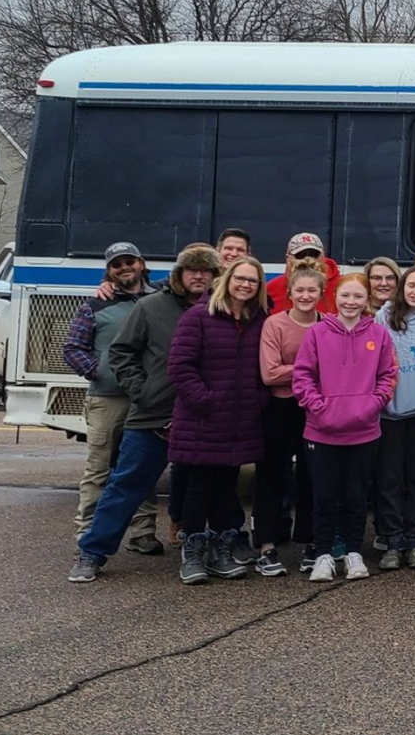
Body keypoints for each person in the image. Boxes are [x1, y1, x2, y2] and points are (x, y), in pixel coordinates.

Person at [69, 244, 221, 584]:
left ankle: (210, 548)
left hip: (204, 417)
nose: (199, 275)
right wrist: (143, 392)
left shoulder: (222, 310)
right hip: (154, 415)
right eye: (191, 269)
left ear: (216, 275)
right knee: (126, 484)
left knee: (211, 488)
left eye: (206, 270)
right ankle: (92, 553)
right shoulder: (151, 307)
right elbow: (122, 353)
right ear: (179, 274)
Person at [165, 255, 271, 585]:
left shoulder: (260, 320)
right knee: (199, 486)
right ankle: (193, 554)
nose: (245, 285)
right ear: (227, 279)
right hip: (203, 420)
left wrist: (257, 401)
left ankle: (222, 552)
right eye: (240, 278)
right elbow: (180, 367)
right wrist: (205, 401)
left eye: (252, 281)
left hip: (241, 421)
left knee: (228, 487)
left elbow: (264, 369)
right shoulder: (199, 316)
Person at [294, 273, 398, 582]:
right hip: (321, 431)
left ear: (367, 300)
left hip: (364, 430)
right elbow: (303, 377)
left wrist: (371, 406)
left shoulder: (378, 335)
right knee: (324, 495)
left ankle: (354, 552)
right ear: (334, 298)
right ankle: (324, 554)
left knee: (356, 495)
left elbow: (388, 376)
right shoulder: (316, 333)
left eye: (357, 297)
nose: (351, 302)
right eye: (345, 296)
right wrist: (319, 408)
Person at [64, 241, 162, 556]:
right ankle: (87, 533)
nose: (124, 268)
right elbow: (72, 347)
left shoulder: (159, 298)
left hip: (146, 398)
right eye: (116, 264)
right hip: (108, 399)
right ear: (109, 270)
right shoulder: (94, 305)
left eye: (129, 261)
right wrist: (99, 371)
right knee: (99, 468)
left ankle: (143, 533)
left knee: (141, 467)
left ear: (141, 263)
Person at [257, 265, 324, 575]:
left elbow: (336, 369)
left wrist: (292, 369)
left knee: (312, 476)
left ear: (321, 294)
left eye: (312, 290)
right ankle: (267, 545)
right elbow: (269, 374)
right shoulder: (275, 325)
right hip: (280, 407)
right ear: (290, 293)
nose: (306, 295)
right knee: (272, 474)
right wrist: (310, 370)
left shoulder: (328, 325)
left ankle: (310, 541)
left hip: (314, 409)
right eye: (300, 290)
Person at [374, 267, 415, 568]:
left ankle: (414, 542)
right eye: (411, 285)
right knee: (389, 480)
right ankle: (391, 541)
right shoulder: (383, 318)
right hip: (389, 413)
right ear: (402, 288)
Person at [264, 232, 339, 315]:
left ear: (323, 256)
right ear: (288, 258)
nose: (308, 259)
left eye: (314, 255)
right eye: (300, 255)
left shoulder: (342, 287)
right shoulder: (271, 289)